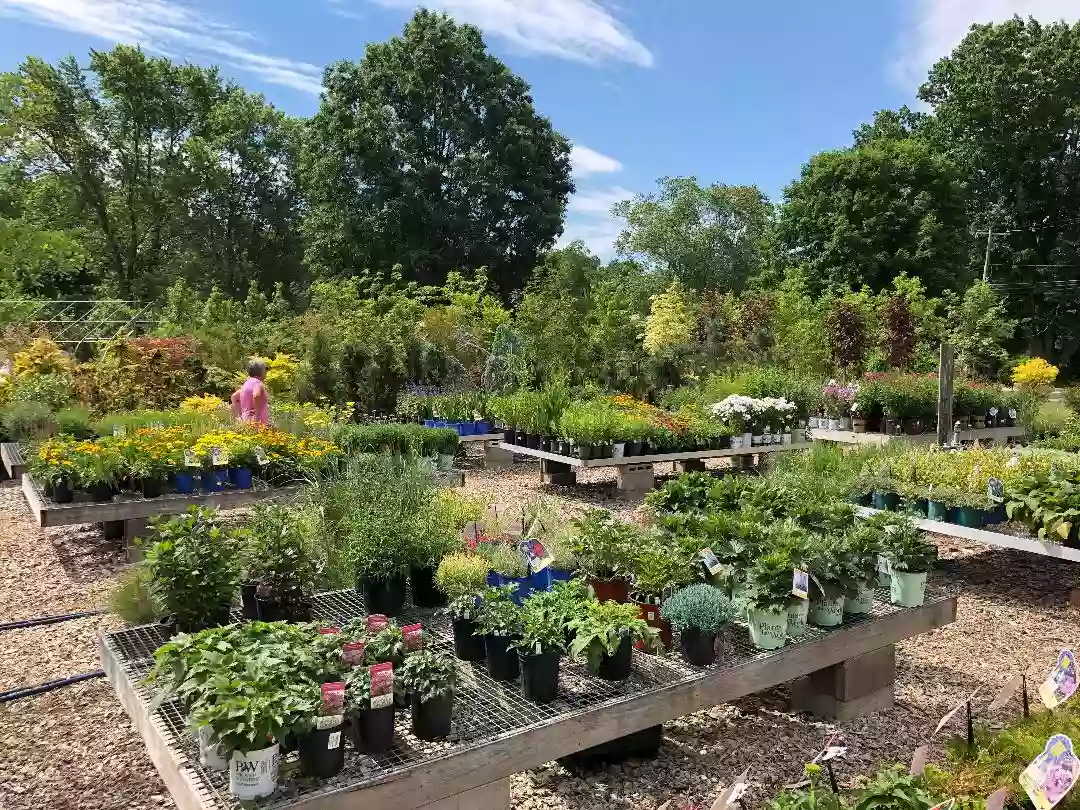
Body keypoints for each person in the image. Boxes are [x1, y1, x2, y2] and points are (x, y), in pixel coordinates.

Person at [232, 360, 270, 425]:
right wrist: (257, 417)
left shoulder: (247, 383)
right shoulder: (258, 384)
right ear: (261, 371)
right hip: (258, 425)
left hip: (245, 422)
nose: (266, 371)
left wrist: (239, 416)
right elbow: (256, 395)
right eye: (265, 369)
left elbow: (234, 397)